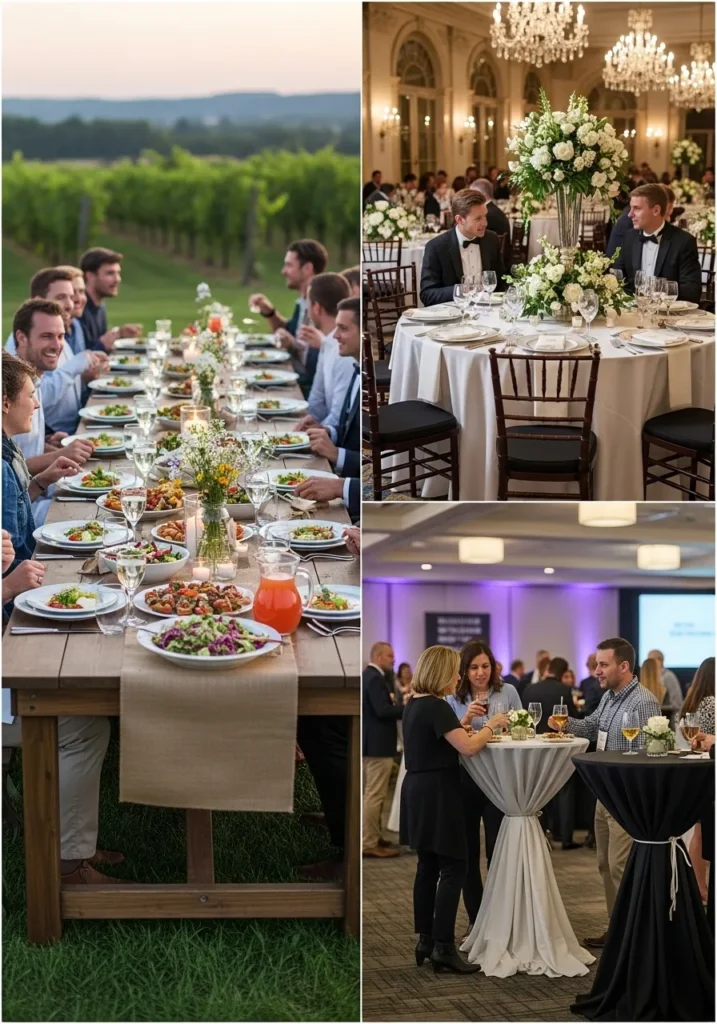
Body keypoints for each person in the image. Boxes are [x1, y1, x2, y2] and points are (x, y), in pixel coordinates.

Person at [547, 637, 661, 948]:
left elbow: (652, 754)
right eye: (597, 664)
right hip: (605, 794)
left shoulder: (643, 702)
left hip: (625, 797)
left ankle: (635, 932)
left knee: (620, 866)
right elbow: (591, 727)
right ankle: (617, 927)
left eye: (603, 664)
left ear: (623, 666)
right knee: (604, 865)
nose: (596, 670)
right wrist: (564, 723)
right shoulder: (610, 697)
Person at [401, 645, 508, 974]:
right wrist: (493, 725)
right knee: (454, 868)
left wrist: (463, 721)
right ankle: (444, 947)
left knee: (427, 867)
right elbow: (469, 747)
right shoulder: (437, 706)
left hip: (417, 792)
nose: (460, 676)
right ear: (441, 673)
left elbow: (440, 737)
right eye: (455, 671)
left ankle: (426, 938)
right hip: (439, 796)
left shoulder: (415, 704)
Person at [446, 640, 521, 927]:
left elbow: (523, 728)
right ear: (464, 671)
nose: (480, 673)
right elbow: (448, 739)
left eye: (485, 666)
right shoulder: (453, 696)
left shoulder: (508, 692)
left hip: (498, 779)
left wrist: (508, 726)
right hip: (464, 778)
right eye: (474, 667)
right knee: (466, 854)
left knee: (496, 850)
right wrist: (466, 719)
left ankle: (500, 919)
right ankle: (477, 921)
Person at [7, 299, 95, 524]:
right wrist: (55, 457)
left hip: (34, 494)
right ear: (21, 338)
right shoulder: (10, 388)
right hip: (19, 515)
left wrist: (49, 444)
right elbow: (9, 467)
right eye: (47, 336)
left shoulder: (35, 379)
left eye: (61, 336)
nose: (57, 345)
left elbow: (20, 448)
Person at [295, 297, 360, 520]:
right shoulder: (356, 368)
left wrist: (337, 455)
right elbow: (348, 428)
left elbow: (383, 469)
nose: (334, 336)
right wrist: (327, 431)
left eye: (342, 328)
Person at [249, 238, 329, 393]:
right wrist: (269, 311)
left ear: (307, 268)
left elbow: (317, 362)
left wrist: (292, 344)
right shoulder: (303, 300)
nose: (283, 271)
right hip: (294, 376)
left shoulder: (320, 307)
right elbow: (290, 332)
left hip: (304, 388)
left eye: (289, 265)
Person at [612, 184, 702, 302]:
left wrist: (655, 290)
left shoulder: (683, 241)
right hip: (635, 313)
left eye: (637, 208)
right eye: (630, 208)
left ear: (656, 210)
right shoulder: (629, 238)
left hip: (669, 316)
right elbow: (617, 280)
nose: (630, 214)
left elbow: (692, 291)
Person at [420, 189, 505, 307]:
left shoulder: (491, 239)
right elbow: (427, 294)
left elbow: (501, 279)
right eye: (478, 218)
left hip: (487, 312)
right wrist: (461, 290)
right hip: (453, 314)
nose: (485, 223)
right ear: (460, 220)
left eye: (485, 216)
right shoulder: (436, 247)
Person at [293, 272, 352, 429]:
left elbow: (338, 418)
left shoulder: (344, 352)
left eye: (308, 302)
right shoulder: (326, 342)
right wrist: (307, 421)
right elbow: (317, 398)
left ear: (317, 307)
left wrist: (316, 430)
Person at [679, 657, 715, 901]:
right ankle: (702, 889)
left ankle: (698, 888)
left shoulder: (693, 701)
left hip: (696, 770)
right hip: (710, 770)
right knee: (703, 832)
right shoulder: (712, 703)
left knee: (699, 831)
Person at [363, 642, 402, 858]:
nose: (393, 659)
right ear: (378, 656)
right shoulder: (375, 678)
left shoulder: (369, 676)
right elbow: (383, 710)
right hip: (378, 746)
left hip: (374, 744)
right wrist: (408, 710)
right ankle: (368, 842)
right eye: (390, 655)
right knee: (374, 795)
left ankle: (374, 836)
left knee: (373, 793)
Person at [79, 247, 142, 352]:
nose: (117, 279)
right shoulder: (79, 309)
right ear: (90, 276)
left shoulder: (100, 306)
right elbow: (81, 359)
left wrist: (119, 334)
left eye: (118, 273)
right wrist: (102, 345)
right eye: (110, 273)